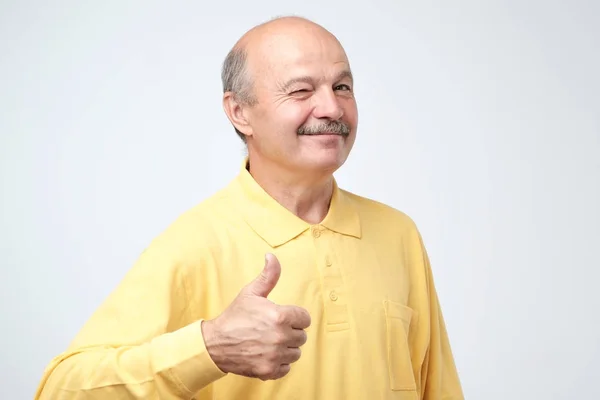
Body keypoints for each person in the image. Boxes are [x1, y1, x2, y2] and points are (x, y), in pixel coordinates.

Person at [35, 16, 464, 400]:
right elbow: (60, 389)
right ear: (239, 112)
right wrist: (210, 348)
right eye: (301, 90)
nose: (332, 107)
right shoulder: (196, 242)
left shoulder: (397, 233)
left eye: (342, 87)